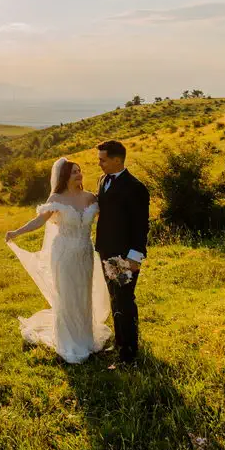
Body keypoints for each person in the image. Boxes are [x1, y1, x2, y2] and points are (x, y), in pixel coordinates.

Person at [4, 157, 111, 363]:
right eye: (74, 172)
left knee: (83, 294)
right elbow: (38, 221)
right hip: (64, 254)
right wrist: (16, 232)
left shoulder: (90, 198)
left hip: (85, 252)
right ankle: (68, 341)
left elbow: (107, 218)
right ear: (64, 177)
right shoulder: (57, 198)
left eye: (79, 170)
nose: (79, 174)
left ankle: (85, 337)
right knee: (67, 295)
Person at [94, 139, 150, 365]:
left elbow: (141, 225)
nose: (99, 164)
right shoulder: (102, 180)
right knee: (114, 298)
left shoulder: (135, 188)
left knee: (125, 301)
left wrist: (134, 257)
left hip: (124, 256)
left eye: (103, 160)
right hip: (105, 251)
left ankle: (129, 354)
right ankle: (120, 342)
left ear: (117, 160)